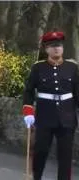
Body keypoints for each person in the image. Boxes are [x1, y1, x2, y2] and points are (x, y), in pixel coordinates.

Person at [23, 31, 79, 180]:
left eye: (59, 46)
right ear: (46, 49)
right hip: (44, 117)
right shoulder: (38, 68)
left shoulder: (72, 68)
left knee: (65, 157)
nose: (57, 49)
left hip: (67, 118)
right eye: (53, 46)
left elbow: (77, 93)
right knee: (40, 152)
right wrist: (28, 112)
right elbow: (28, 91)